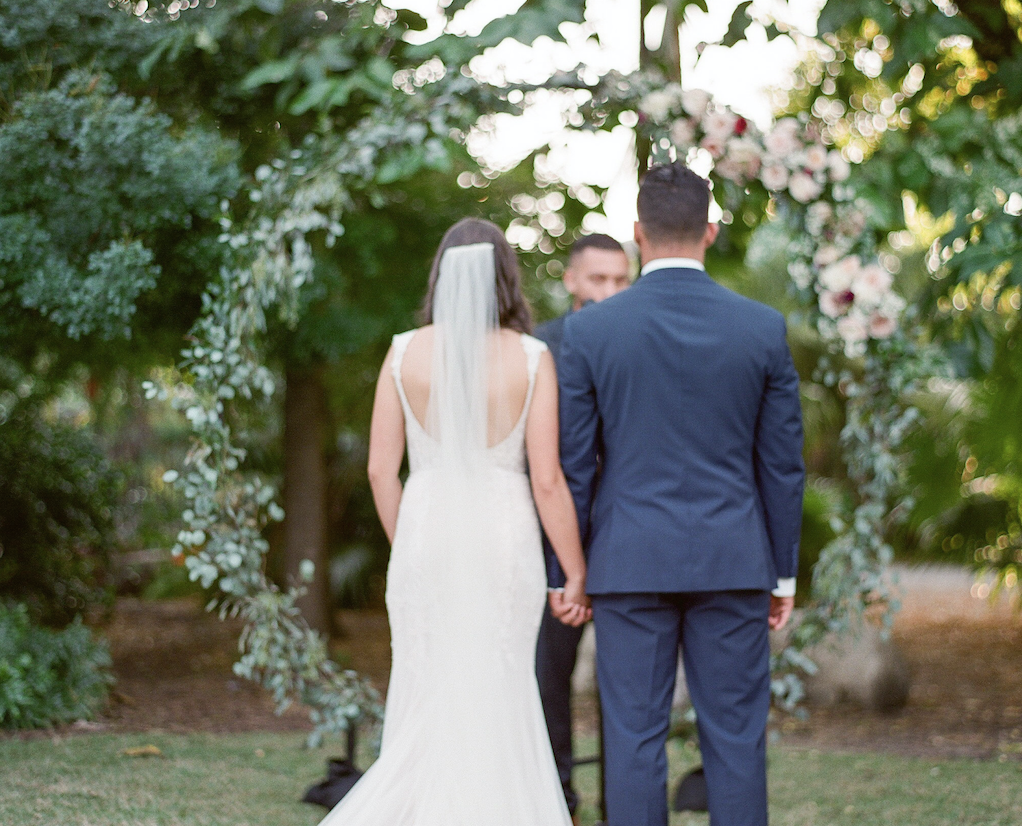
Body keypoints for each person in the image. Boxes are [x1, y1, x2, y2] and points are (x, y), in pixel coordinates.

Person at [551, 162, 805, 826]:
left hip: (627, 561)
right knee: (736, 739)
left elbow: (575, 467)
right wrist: (782, 572)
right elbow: (782, 467)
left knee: (632, 741)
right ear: (711, 231)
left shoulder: (590, 332)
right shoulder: (761, 328)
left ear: (637, 234)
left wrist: (568, 572)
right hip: (734, 558)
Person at [320, 218, 591, 826]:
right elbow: (547, 479)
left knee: (427, 684)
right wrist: (574, 570)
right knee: (501, 685)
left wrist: (408, 541)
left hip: (426, 533)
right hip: (505, 540)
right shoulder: (531, 356)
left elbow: (379, 472)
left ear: (441, 274)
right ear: (506, 278)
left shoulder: (402, 352)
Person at [533, 233, 631, 821]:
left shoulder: (640, 341)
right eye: (598, 280)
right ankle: (557, 801)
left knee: (626, 689)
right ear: (571, 280)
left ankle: (622, 803)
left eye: (621, 281)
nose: (609, 292)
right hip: (549, 541)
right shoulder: (537, 347)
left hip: (625, 539)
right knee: (549, 682)